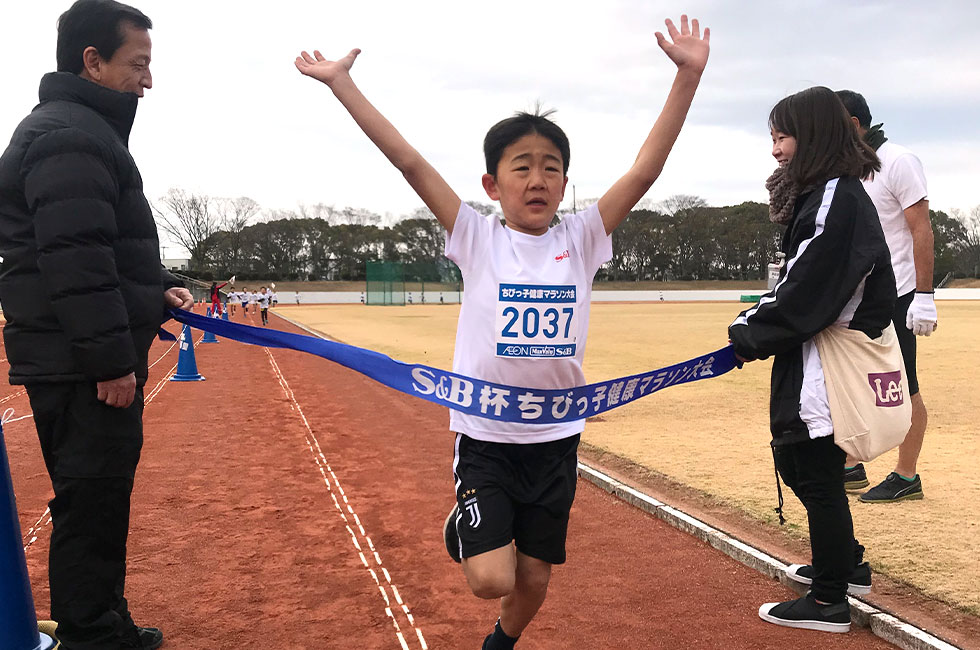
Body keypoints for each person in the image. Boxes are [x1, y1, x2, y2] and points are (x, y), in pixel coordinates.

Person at [295, 15, 709, 648]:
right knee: (491, 578)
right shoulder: (478, 238)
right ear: (493, 184)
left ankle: (498, 646)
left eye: (551, 168)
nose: (537, 179)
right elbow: (408, 162)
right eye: (521, 167)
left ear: (566, 184)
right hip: (487, 433)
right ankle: (466, 526)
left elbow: (645, 171)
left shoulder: (583, 238)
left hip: (556, 437)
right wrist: (341, 85)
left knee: (536, 578)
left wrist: (687, 75)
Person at [0, 1, 194, 648]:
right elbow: (75, 260)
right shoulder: (71, 136)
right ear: (93, 61)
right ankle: (91, 635)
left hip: (72, 355)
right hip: (81, 365)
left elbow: (95, 248)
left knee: (99, 500)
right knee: (91, 504)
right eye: (137, 63)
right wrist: (110, 360)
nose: (147, 79)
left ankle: (103, 622)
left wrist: (157, 289)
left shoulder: (78, 129)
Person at [729, 86, 894, 634]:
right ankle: (845, 566)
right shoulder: (827, 193)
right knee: (802, 464)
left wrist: (749, 329)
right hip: (813, 350)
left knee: (814, 469)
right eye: (772, 138)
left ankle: (828, 600)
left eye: (782, 136)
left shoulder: (834, 198)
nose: (776, 149)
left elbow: (807, 286)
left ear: (815, 135)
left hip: (826, 356)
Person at [835, 90, 935, 503]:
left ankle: (906, 475)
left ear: (854, 125)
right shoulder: (848, 169)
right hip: (860, 295)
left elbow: (921, 229)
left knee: (902, 384)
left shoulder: (898, 161)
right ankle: (850, 467)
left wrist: (924, 297)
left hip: (899, 294)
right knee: (852, 381)